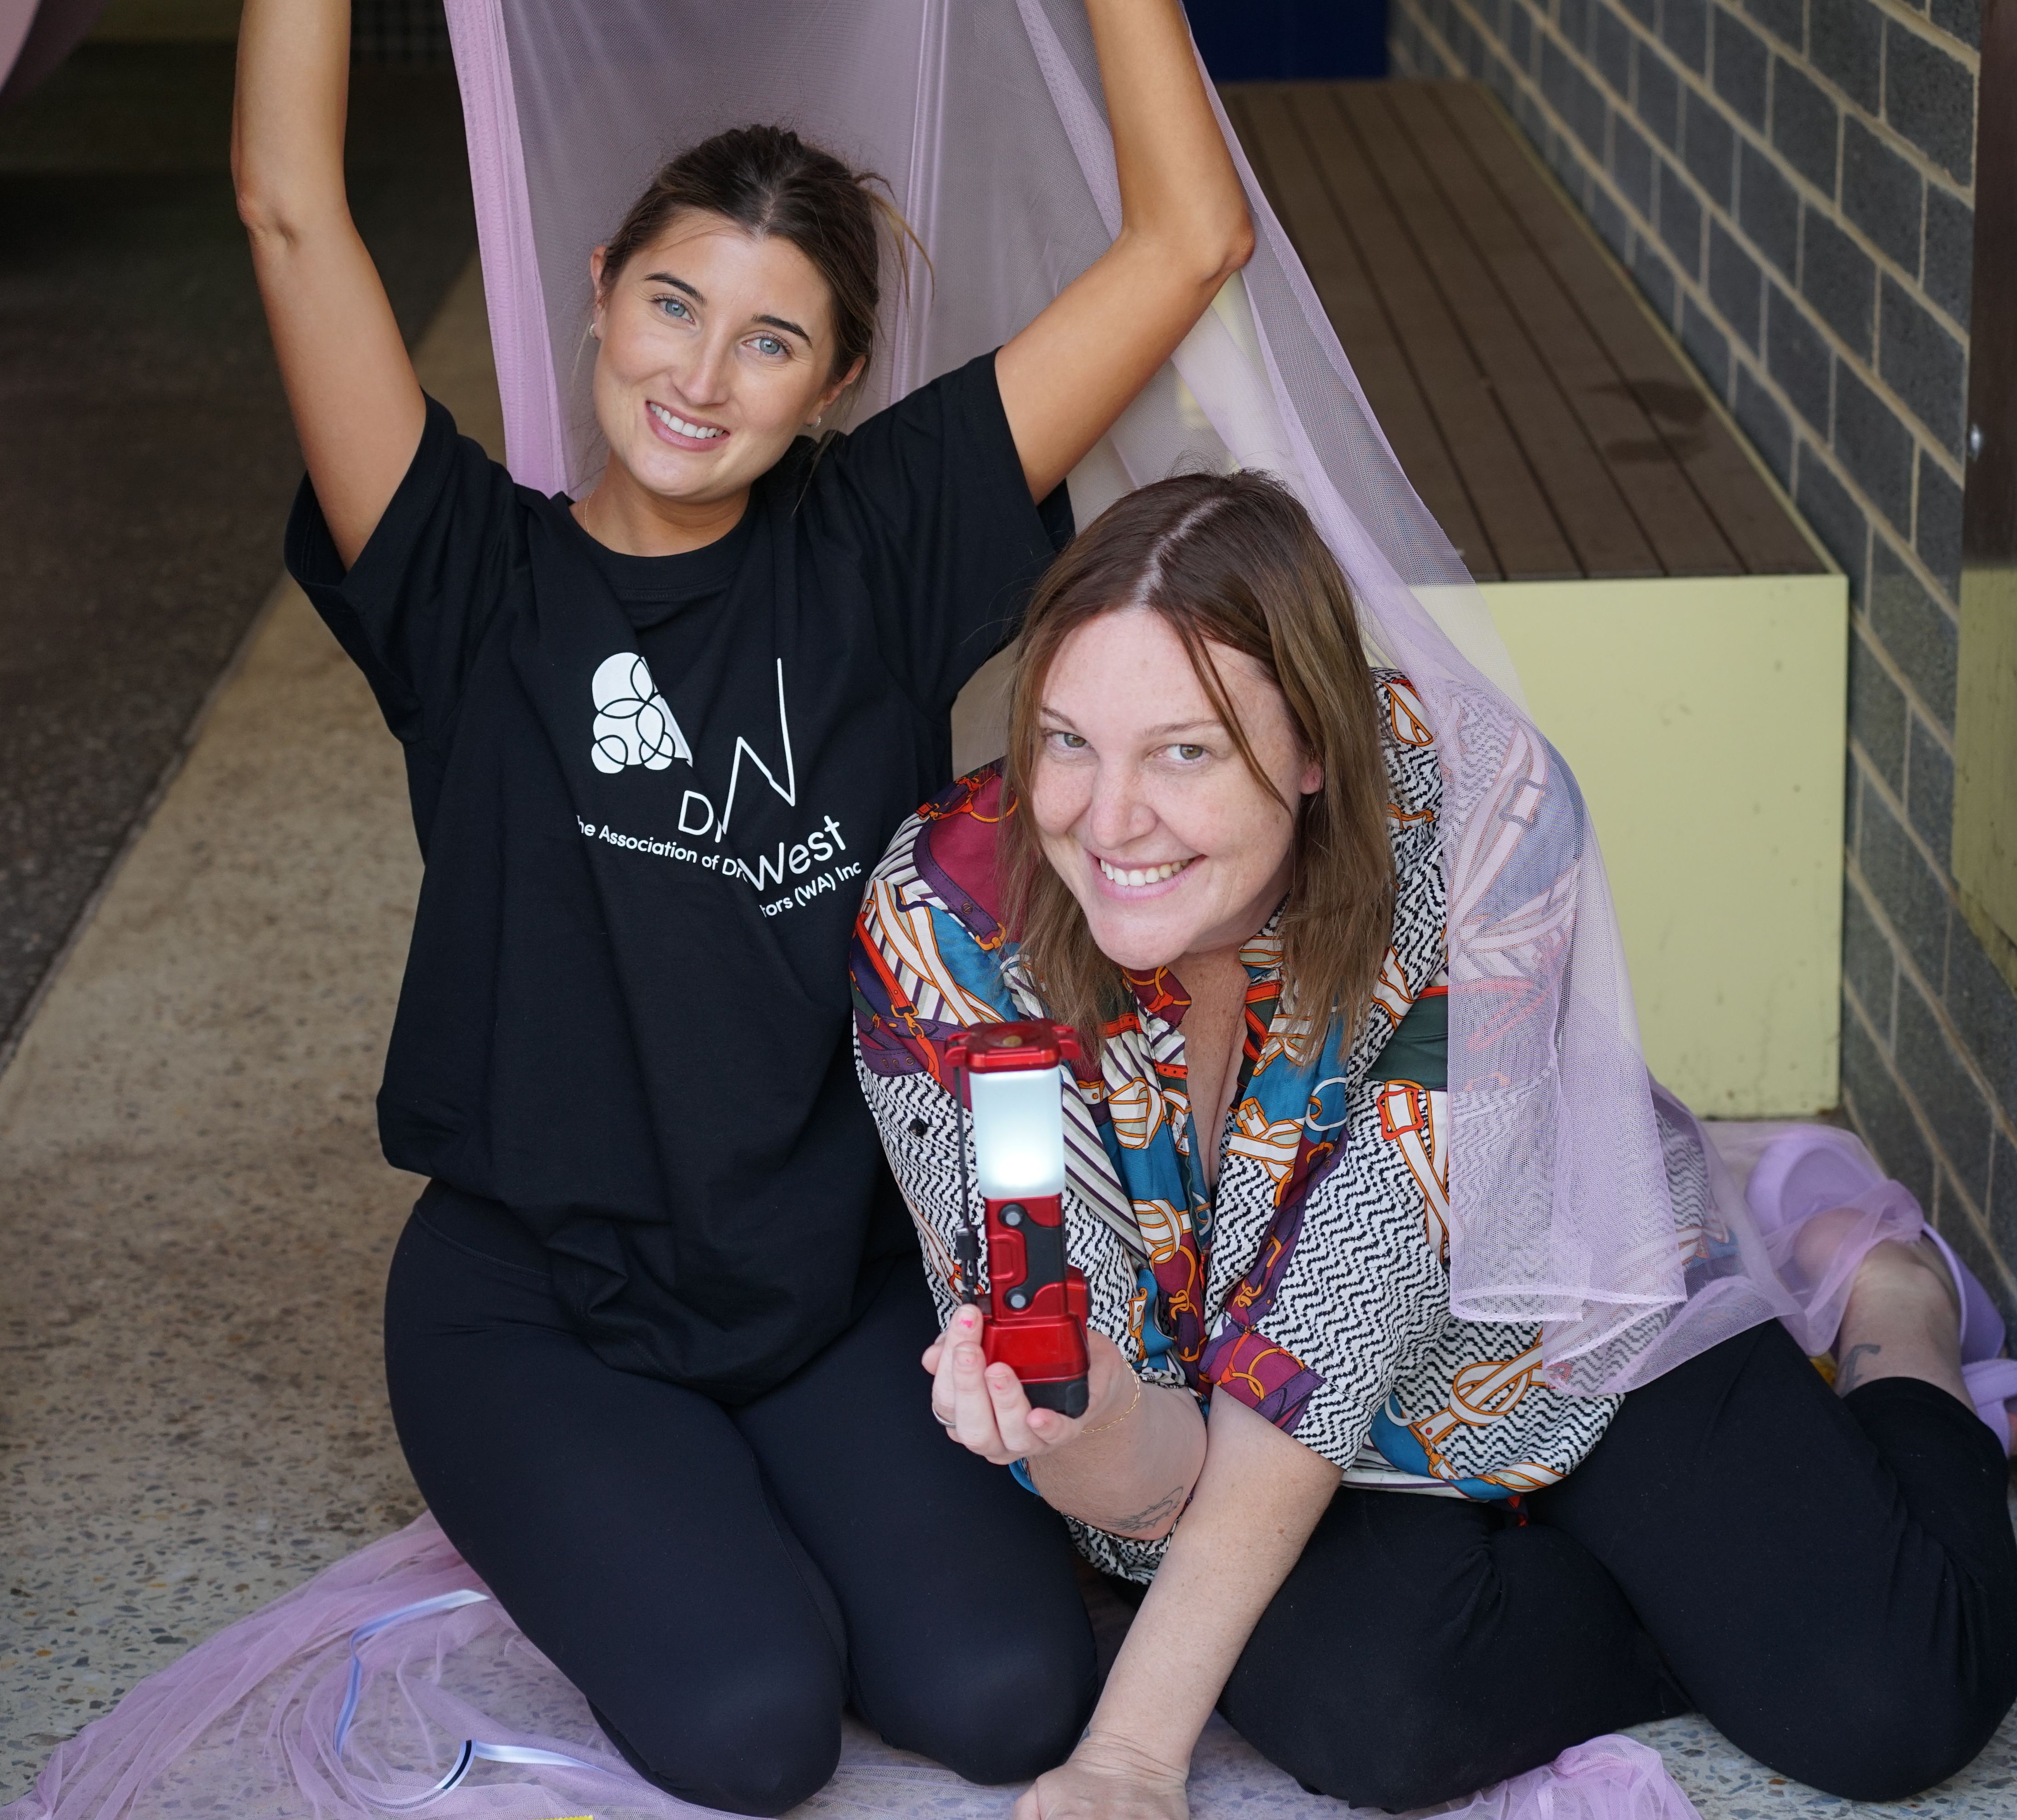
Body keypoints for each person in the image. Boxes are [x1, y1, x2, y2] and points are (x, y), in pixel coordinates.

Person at [231, 0, 1254, 1809]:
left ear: (835, 385)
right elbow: (289, 206)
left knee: (1013, 1696)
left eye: (773, 340)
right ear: (600, 293)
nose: (703, 376)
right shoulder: (461, 572)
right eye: (674, 305)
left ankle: (754, 1497)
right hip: (538, 1307)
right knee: (753, 1727)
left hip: (828, 1288)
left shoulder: (878, 544)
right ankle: (665, 1507)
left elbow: (1190, 240)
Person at [852, 472, 2017, 1820]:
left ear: (1316, 746)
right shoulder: (947, 921)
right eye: (1068, 741)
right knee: (1381, 1723)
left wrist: (1128, 1758)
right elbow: (1129, 1451)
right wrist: (1090, 1422)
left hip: (1553, 1325)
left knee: (1898, 1702)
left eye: (1185, 753)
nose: (1108, 820)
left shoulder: (1482, 817)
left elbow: (1340, 1317)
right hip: (1238, 1449)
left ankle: (1892, 1304)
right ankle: (1702, 1617)